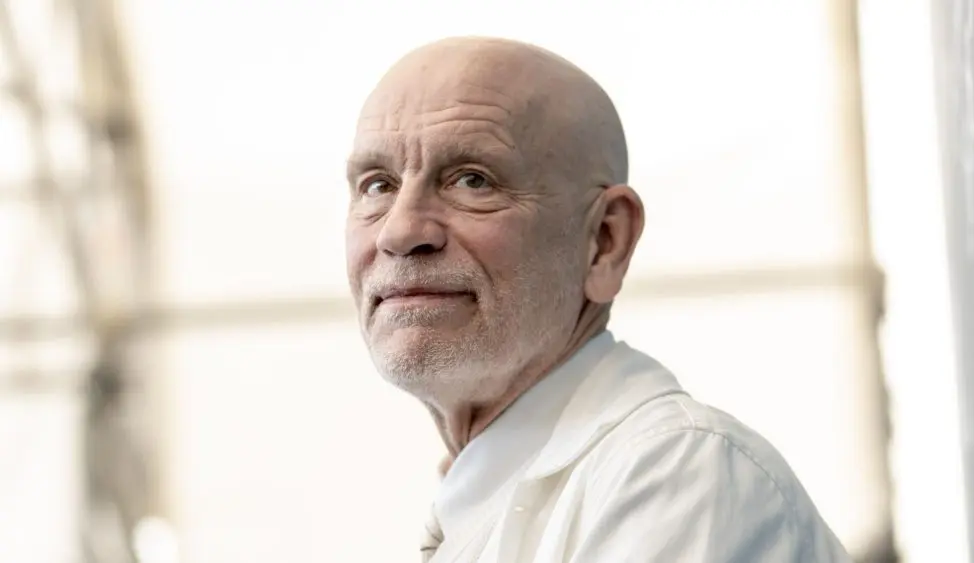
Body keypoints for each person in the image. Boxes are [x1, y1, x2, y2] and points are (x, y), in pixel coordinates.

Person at [345, 36, 853, 563]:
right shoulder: (490, 497)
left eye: (473, 180)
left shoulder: (673, 471)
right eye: (377, 185)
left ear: (604, 242)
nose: (400, 231)